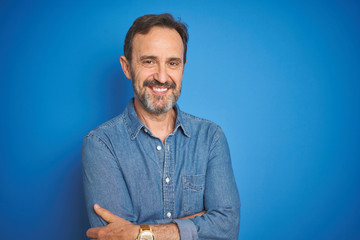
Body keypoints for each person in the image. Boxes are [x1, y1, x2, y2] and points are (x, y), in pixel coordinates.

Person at [82, 13, 240, 240]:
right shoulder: (100, 144)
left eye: (172, 63)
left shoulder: (210, 137)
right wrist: (199, 224)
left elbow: (228, 228)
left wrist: (139, 232)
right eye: (149, 61)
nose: (162, 77)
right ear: (127, 68)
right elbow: (114, 237)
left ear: (183, 67)